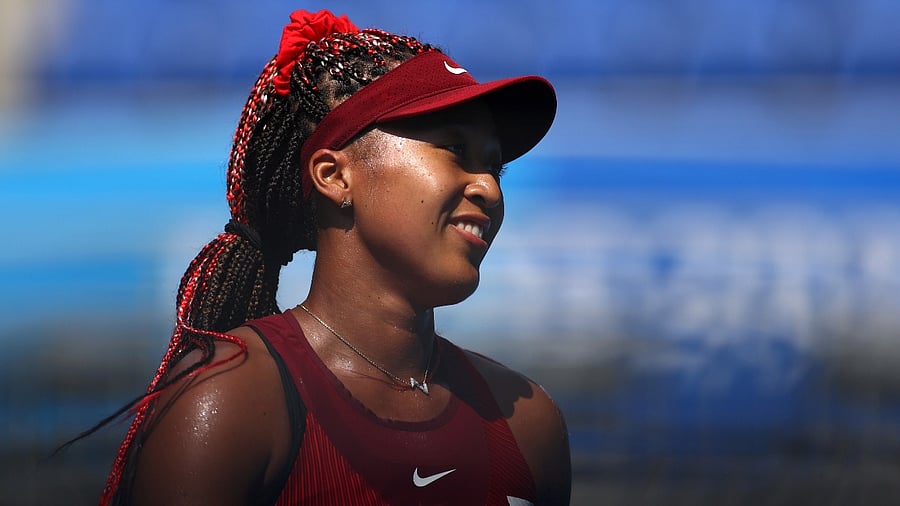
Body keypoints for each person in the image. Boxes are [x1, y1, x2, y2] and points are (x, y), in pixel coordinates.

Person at [99, 9, 570, 505]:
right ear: (335, 176)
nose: (490, 189)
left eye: (496, 167)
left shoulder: (528, 422)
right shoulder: (231, 399)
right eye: (455, 149)